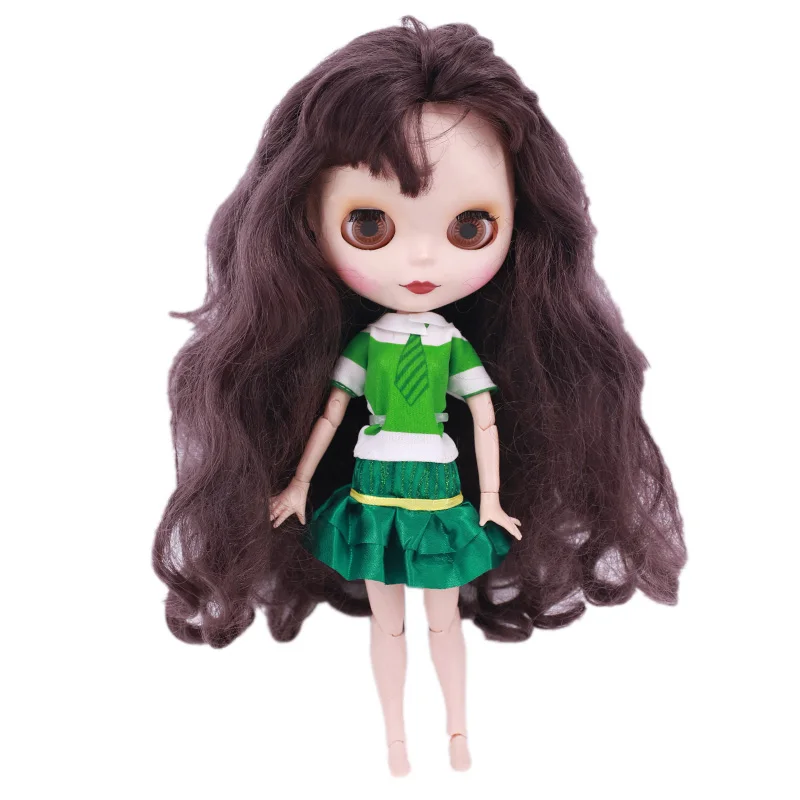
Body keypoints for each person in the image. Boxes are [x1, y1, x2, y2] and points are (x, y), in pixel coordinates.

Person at [153, 16, 686, 777]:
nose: (423, 256)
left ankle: (457, 731)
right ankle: (397, 739)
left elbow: (485, 417)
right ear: (304, 220)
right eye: (370, 224)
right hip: (373, 487)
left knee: (441, 622)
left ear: (522, 223)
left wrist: (492, 498)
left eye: (471, 226)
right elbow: (333, 413)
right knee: (390, 624)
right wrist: (300, 484)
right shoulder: (366, 346)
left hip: (439, 489)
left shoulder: (452, 346)